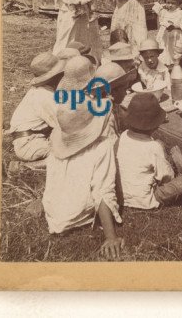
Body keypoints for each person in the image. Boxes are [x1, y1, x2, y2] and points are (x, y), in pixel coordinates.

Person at [42, 56, 124, 259]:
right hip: (75, 214)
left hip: (52, 210)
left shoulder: (57, 145)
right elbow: (103, 190)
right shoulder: (101, 147)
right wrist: (111, 236)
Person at [116, 93, 182, 209]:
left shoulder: (123, 136)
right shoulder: (153, 147)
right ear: (155, 125)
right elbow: (167, 177)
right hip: (146, 199)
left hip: (121, 195)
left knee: (159, 144)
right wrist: (174, 175)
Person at [6, 52, 65, 162]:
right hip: (30, 144)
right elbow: (63, 125)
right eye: (61, 74)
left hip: (30, 140)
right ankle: (29, 166)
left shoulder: (41, 91)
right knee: (68, 153)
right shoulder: (44, 96)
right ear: (55, 77)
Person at [152, 0, 182, 67]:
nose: (170, 5)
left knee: (176, 52)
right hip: (165, 37)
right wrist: (164, 5)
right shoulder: (164, 12)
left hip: (176, 36)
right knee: (165, 51)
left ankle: (178, 66)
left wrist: (175, 26)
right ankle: (167, 66)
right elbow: (155, 7)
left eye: (173, 3)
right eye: (168, 3)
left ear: (178, 2)